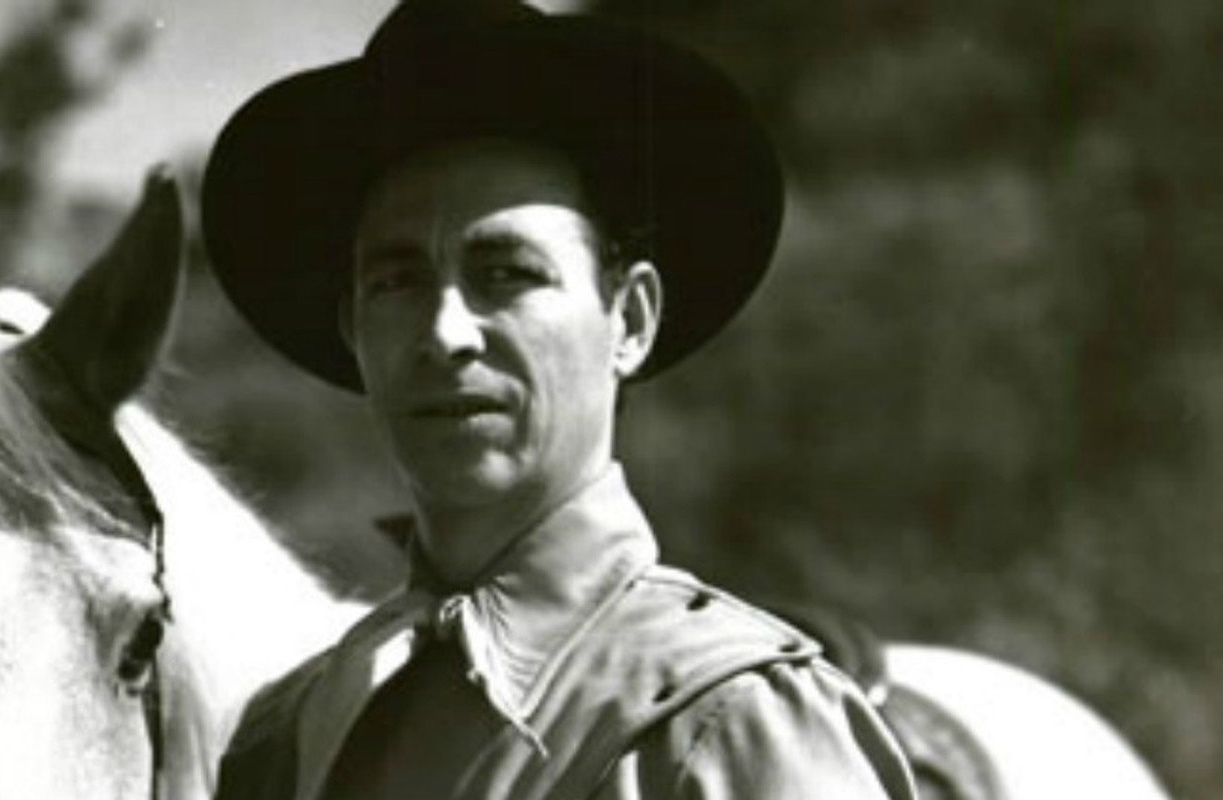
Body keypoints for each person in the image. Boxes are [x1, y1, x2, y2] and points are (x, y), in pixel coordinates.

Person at [198, 1, 918, 798]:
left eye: (506, 274)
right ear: (352, 331)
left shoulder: (732, 724)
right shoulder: (282, 740)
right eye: (396, 282)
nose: (443, 333)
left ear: (631, 321)